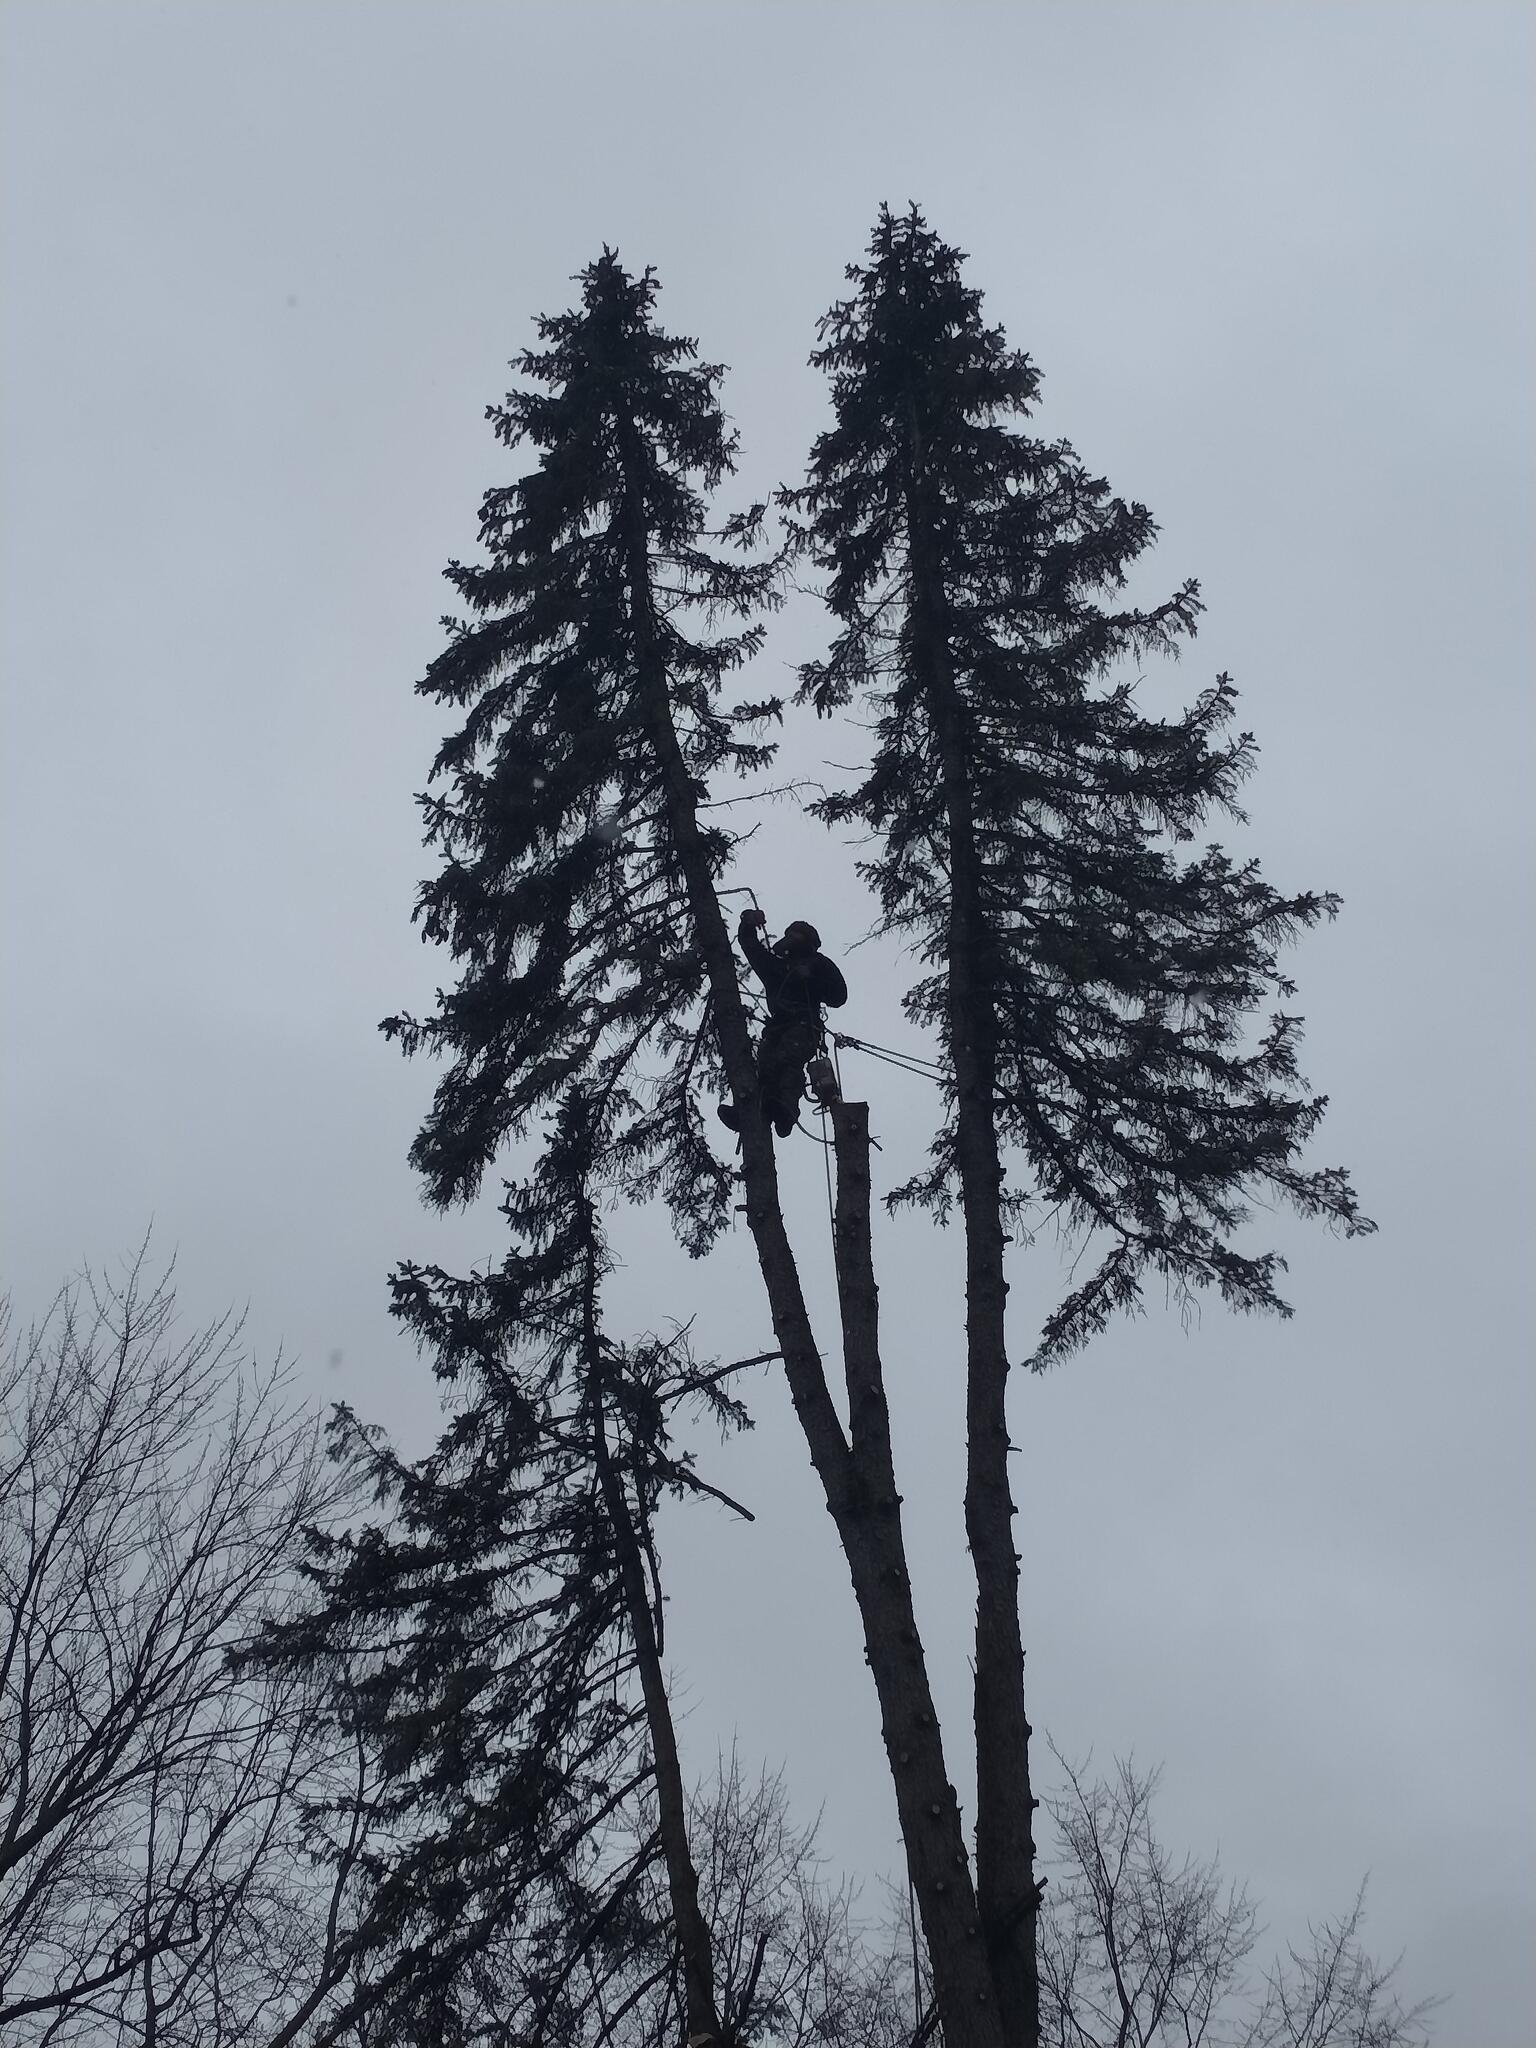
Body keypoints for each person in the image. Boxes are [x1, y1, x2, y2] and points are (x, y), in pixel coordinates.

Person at [718, 907, 848, 1140]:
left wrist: (812, 979)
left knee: (788, 1061)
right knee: (764, 1068)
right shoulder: (776, 967)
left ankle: (786, 1110)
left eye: (796, 936)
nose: (790, 940)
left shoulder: (818, 963)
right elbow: (751, 947)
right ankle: (747, 1113)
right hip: (777, 1026)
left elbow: (839, 996)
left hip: (804, 1025)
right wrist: (748, 922)